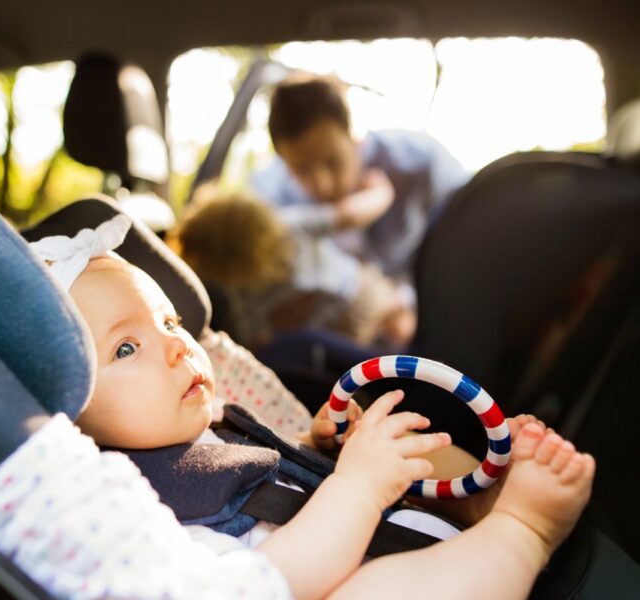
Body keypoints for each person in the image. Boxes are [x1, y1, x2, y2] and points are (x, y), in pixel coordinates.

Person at [30, 214, 595, 600]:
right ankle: (525, 529)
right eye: (127, 348)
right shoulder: (133, 509)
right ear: (69, 413)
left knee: (399, 439)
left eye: (170, 322)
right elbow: (265, 580)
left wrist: (320, 452)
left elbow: (274, 488)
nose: (178, 344)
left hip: (403, 538)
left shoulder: (219, 421)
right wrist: (358, 486)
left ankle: (481, 494)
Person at [251, 72, 471, 303]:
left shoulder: (419, 163)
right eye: (301, 170)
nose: (322, 185)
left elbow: (469, 237)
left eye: (331, 161)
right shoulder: (272, 197)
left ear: (351, 132)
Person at [172, 192, 416, 350]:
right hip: (357, 291)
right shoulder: (288, 225)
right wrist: (381, 192)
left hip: (333, 331)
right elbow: (349, 214)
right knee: (403, 327)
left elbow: (254, 342)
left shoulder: (243, 294)